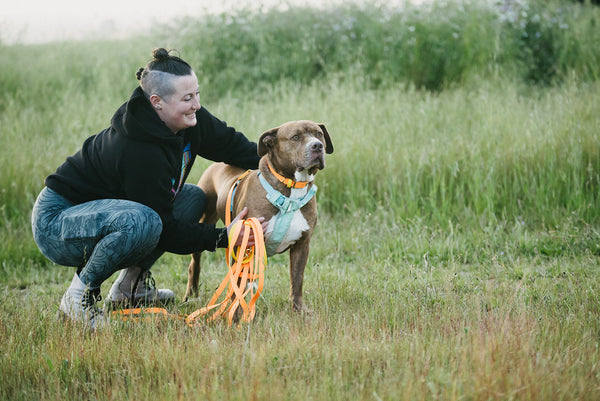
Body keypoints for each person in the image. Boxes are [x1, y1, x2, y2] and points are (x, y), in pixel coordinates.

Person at [31, 48, 268, 330]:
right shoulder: (138, 150)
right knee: (144, 221)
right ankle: (78, 298)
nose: (196, 104)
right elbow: (165, 230)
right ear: (157, 102)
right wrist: (224, 237)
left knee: (192, 198)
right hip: (58, 222)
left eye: (197, 94)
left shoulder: (191, 119)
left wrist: (282, 164)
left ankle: (130, 290)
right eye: (187, 98)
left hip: (109, 214)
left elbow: (234, 146)